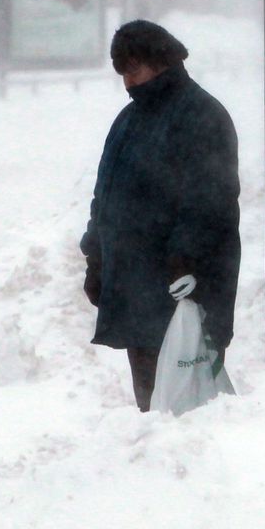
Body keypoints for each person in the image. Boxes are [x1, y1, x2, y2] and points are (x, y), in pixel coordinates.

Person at [81, 20, 241, 412]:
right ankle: (158, 464)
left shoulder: (202, 115)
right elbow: (106, 193)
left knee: (188, 399)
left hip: (183, 285)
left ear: (161, 61)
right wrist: (96, 256)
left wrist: (186, 259)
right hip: (136, 284)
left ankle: (195, 468)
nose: (127, 82)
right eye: (121, 72)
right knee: (151, 398)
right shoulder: (129, 120)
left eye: (133, 69)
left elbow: (212, 198)